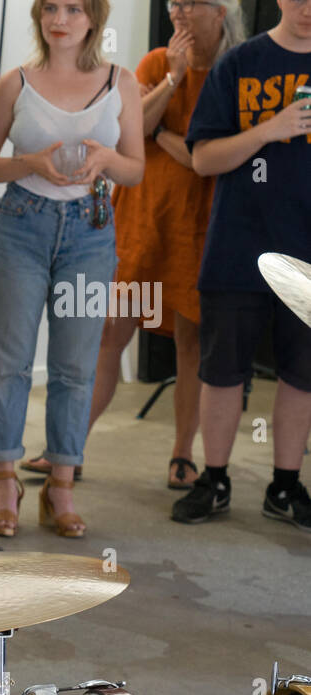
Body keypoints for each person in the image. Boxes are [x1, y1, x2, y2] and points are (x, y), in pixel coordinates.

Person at [22, 0, 245, 491]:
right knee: (107, 334)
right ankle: (68, 450)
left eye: (191, 5)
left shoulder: (235, 71)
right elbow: (128, 135)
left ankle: (183, 456)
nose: (180, 15)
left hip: (200, 227)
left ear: (220, 12)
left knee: (191, 344)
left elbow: (200, 159)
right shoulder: (155, 62)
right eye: (175, 5)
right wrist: (171, 81)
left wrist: (161, 131)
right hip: (141, 221)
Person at [0, 0, 144, 538]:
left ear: (94, 18)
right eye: (50, 8)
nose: (59, 19)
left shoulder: (123, 82)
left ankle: (60, 487)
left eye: (72, 8)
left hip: (91, 230)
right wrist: (30, 162)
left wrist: (105, 162)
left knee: (75, 365)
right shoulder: (15, 83)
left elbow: (135, 169)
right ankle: (6, 485)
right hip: (22, 225)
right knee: (10, 362)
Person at [172, 0, 311, 530]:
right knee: (222, 372)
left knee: (303, 376)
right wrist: (267, 130)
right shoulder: (239, 64)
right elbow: (204, 159)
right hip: (239, 246)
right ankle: (214, 479)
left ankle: (284, 484)